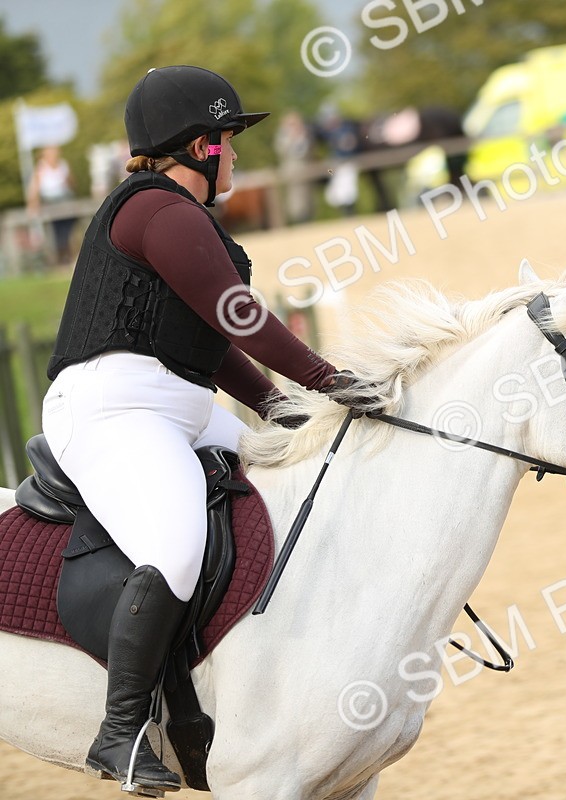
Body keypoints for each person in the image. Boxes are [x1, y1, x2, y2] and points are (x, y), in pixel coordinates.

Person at [41, 65, 374, 794]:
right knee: (176, 541)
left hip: (181, 407)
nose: (234, 151)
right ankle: (120, 731)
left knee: (289, 483)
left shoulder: (184, 219)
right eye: (228, 138)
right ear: (198, 147)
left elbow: (211, 340)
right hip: (113, 407)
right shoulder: (156, 212)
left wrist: (277, 407)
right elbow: (239, 316)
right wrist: (329, 382)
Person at [26, 145, 76, 264]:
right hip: (49, 203)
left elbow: (72, 184)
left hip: (65, 201)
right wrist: (33, 205)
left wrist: (68, 181)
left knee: (67, 230)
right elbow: (34, 189)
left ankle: (67, 256)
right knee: (56, 232)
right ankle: (60, 259)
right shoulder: (41, 168)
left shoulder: (63, 165)